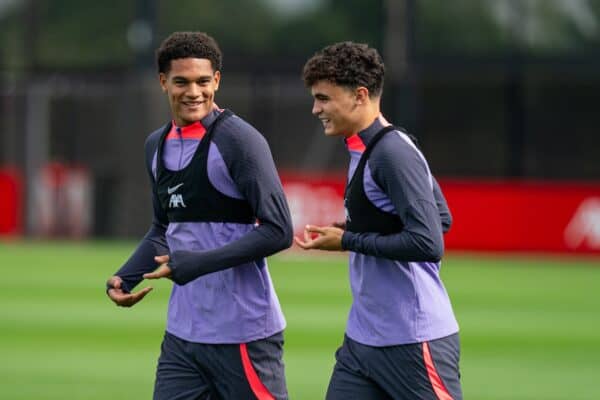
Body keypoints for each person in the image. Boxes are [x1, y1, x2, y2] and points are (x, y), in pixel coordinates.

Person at [105, 31, 293, 400]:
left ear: (217, 81)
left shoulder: (239, 141)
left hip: (243, 336)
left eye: (203, 81)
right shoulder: (155, 146)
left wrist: (196, 264)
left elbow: (279, 231)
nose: (194, 92)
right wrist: (123, 277)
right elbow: (163, 228)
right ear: (163, 82)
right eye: (182, 82)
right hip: (183, 339)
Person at [296, 41, 463, 400]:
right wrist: (354, 229)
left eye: (323, 98)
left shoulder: (392, 152)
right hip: (363, 340)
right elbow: (440, 216)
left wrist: (348, 241)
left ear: (359, 96)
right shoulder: (364, 147)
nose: (315, 109)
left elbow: (430, 241)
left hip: (413, 340)